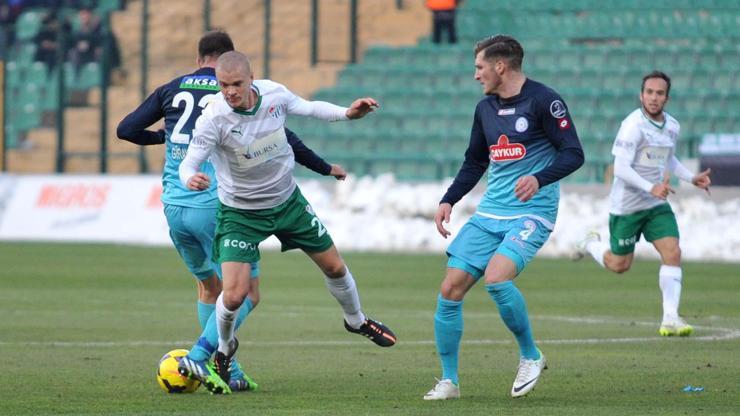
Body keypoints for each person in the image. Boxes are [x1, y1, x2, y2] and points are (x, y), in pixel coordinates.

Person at [117, 31, 348, 394]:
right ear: (229, 60)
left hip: (175, 206)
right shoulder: (233, 96)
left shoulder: (170, 89)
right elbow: (285, 138)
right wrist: (323, 167)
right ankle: (207, 358)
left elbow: (125, 129)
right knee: (245, 294)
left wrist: (164, 137)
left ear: (198, 59)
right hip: (216, 204)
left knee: (209, 288)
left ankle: (228, 368)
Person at [178, 50, 397, 394]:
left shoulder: (274, 95)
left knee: (335, 268)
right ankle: (222, 349)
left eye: (236, 84)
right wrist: (190, 177)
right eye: (223, 85)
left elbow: (310, 109)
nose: (230, 91)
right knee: (234, 296)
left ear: (251, 79)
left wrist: (349, 114)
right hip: (240, 214)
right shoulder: (214, 119)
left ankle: (356, 321)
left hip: (288, 203)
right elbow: (189, 163)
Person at [424, 35, 584, 401]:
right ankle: (449, 381)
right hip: (490, 213)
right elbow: (475, 161)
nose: (476, 74)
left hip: (532, 213)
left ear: (501, 66)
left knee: (497, 278)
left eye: (480, 67)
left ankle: (531, 356)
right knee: (449, 290)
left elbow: (574, 153)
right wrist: (449, 199)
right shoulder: (485, 109)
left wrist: (539, 178)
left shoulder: (545, 100)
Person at [573, 70, 711, 337]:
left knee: (673, 252)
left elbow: (669, 160)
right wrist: (652, 186)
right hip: (626, 207)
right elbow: (621, 168)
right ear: (641, 95)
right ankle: (591, 242)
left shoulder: (672, 126)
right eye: (649, 92)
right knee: (619, 265)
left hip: (655, 204)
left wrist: (692, 178)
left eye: (659, 93)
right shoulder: (632, 126)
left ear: (667, 98)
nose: (654, 98)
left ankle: (670, 317)